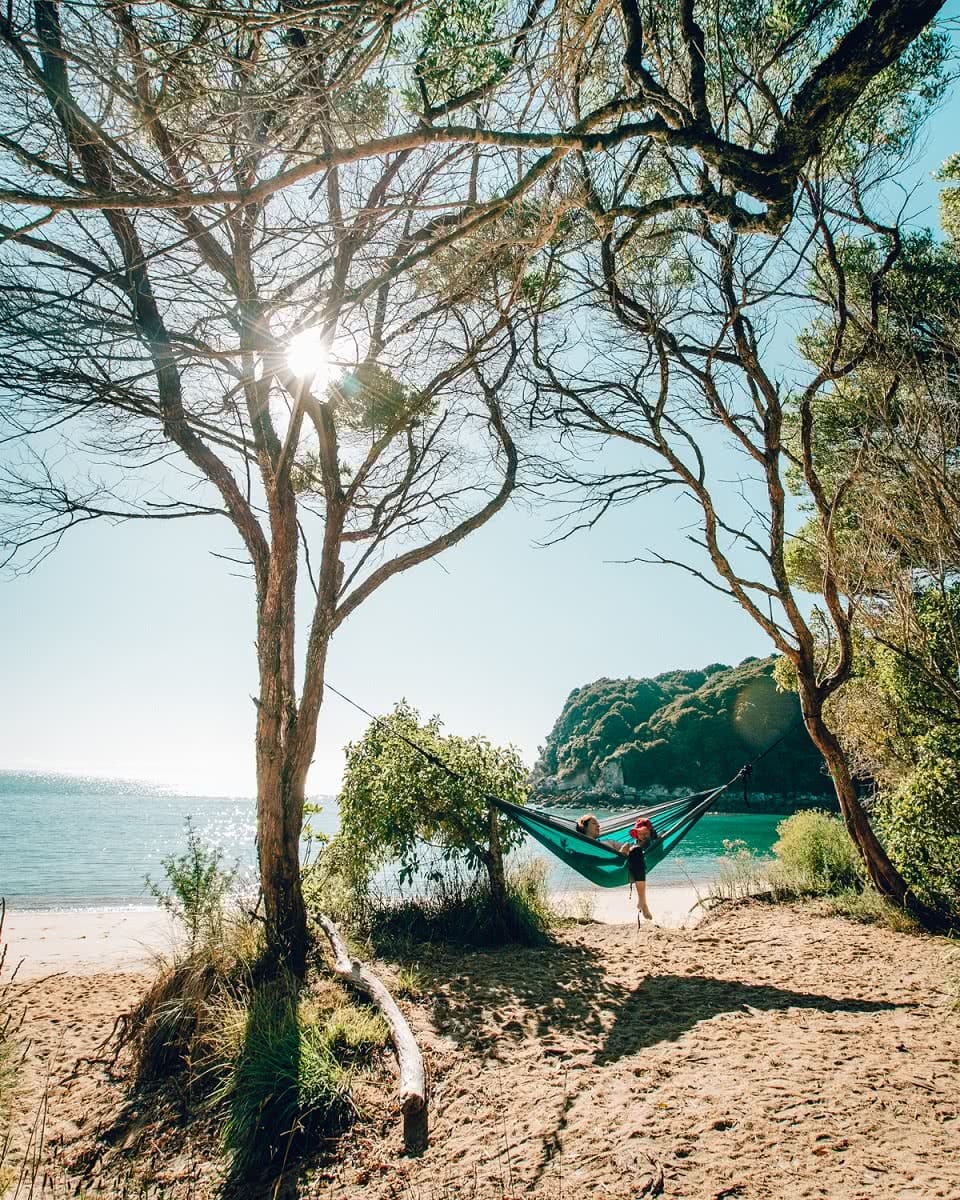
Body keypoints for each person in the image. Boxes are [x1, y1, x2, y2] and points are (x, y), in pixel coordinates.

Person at [575, 812, 657, 924]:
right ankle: (643, 902)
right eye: (594, 823)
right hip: (608, 874)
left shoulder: (607, 842)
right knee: (635, 851)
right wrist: (615, 859)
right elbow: (588, 862)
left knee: (636, 850)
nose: (598, 826)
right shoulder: (583, 846)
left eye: (599, 824)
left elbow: (632, 849)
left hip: (627, 868)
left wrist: (627, 850)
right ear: (583, 826)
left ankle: (642, 901)